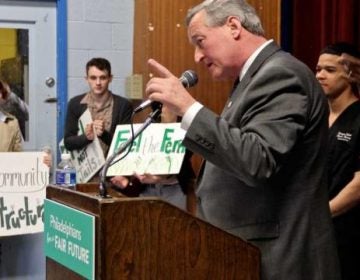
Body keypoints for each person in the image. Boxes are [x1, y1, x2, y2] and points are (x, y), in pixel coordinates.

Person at [144, 1, 341, 279]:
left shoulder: (280, 73)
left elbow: (257, 159)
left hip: (279, 260)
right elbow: (234, 151)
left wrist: (189, 108)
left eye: (200, 42)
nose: (197, 56)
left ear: (233, 26)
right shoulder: (251, 79)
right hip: (247, 253)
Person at [316, 42, 360, 280]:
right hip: (316, 231)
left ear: (351, 75)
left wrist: (323, 213)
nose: (320, 75)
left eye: (330, 70)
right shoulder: (315, 116)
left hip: (348, 232)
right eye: (318, 69)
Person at [110, 106, 197, 213]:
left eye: (165, 105)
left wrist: (160, 177)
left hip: (174, 189)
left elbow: (182, 159)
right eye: (160, 106)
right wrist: (126, 182)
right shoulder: (149, 127)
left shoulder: (186, 130)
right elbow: (139, 163)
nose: (162, 110)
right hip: (149, 188)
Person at [64, 57, 133, 174]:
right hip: (83, 172)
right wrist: (86, 137)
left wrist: (103, 134)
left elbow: (126, 146)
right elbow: (68, 143)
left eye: (103, 78)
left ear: (110, 78)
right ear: (86, 79)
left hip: (112, 171)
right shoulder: (75, 103)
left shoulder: (123, 105)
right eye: (93, 78)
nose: (98, 83)